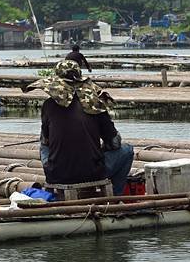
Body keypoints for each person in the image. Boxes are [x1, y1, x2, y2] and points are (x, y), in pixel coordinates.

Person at [29, 60, 133, 195]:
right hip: (93, 172)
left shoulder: (48, 105)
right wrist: (101, 148)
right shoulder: (95, 104)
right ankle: (115, 196)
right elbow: (114, 143)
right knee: (127, 150)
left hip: (56, 173)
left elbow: (46, 141)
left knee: (44, 145)